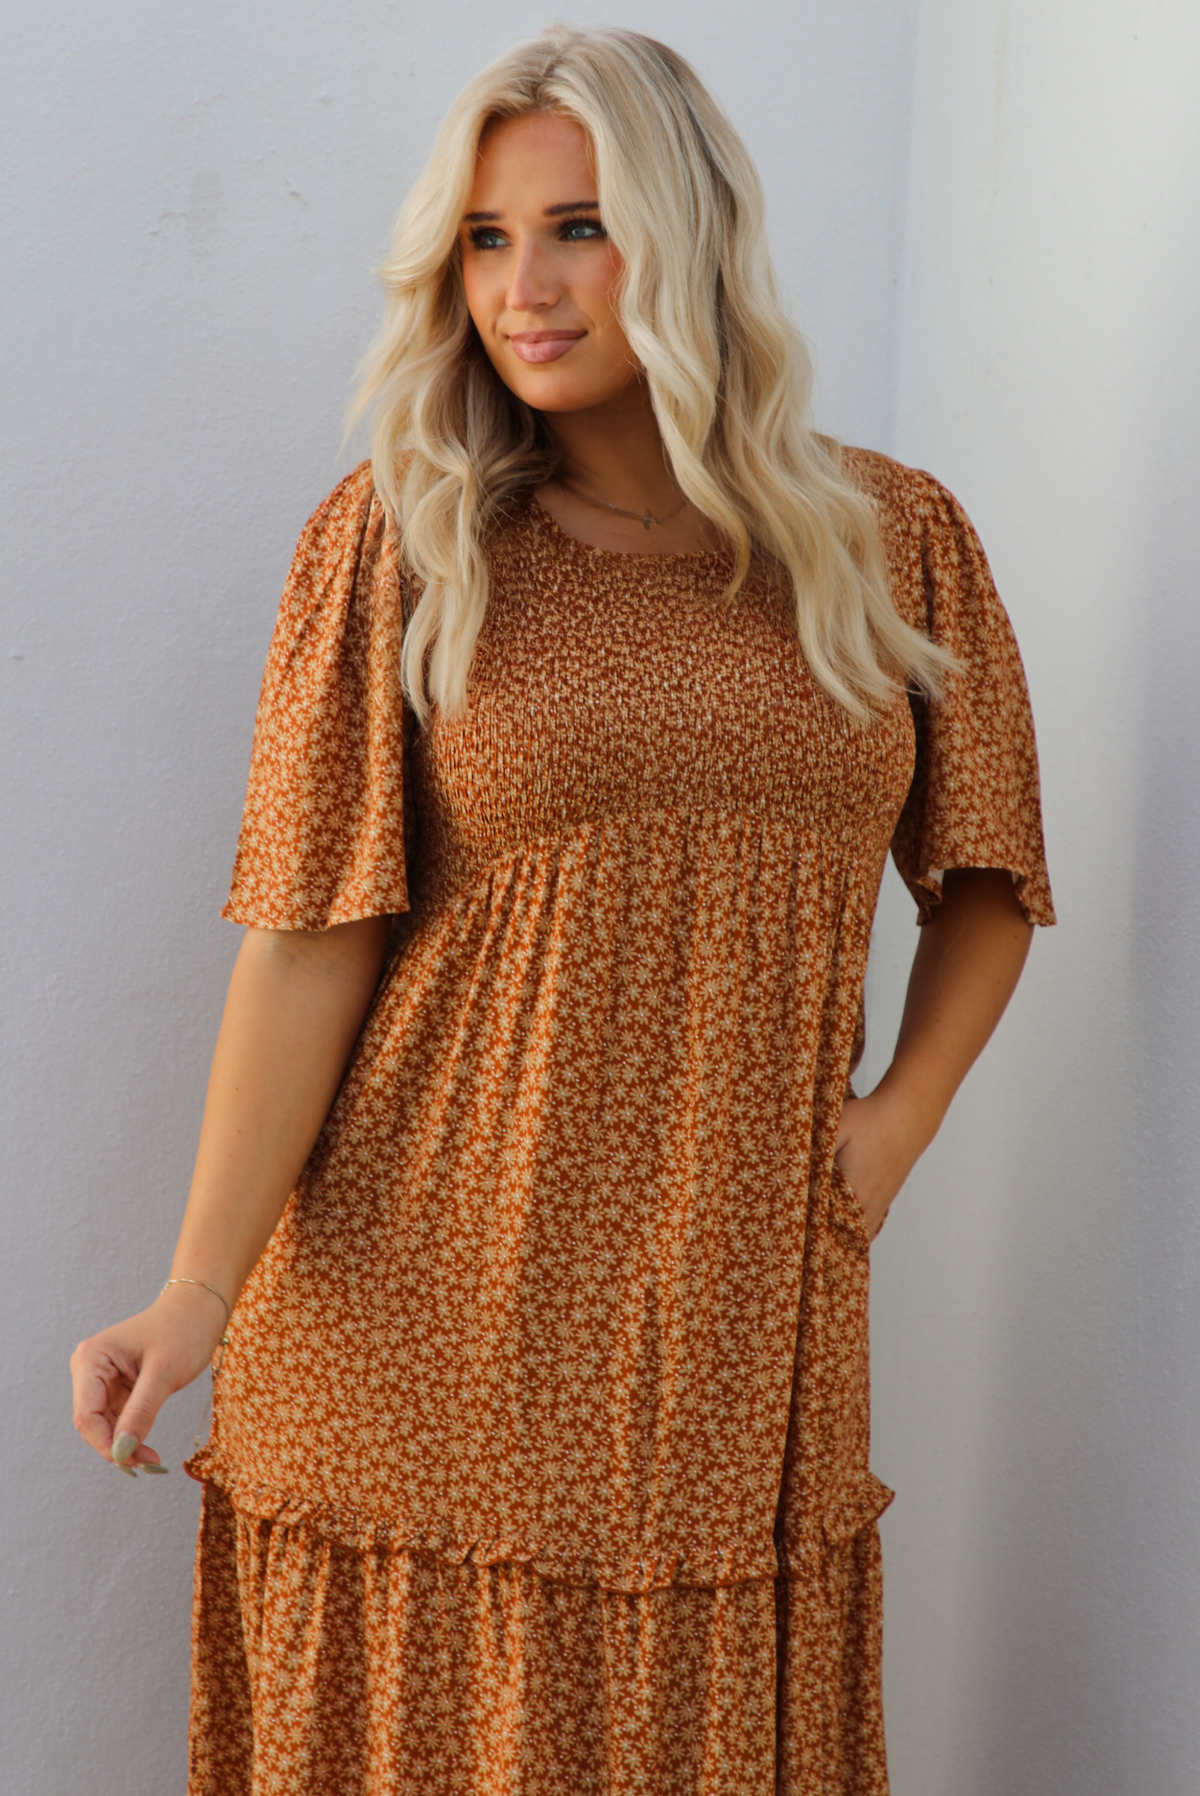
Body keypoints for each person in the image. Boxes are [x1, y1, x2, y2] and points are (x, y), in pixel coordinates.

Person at [70, 25, 1054, 1795]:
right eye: (485, 237)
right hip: (420, 1313)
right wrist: (193, 1291)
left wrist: (893, 1129)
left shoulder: (889, 542)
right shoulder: (400, 543)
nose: (524, 286)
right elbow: (308, 937)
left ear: (687, 239)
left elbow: (987, 877)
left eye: (579, 227)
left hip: (730, 1324)